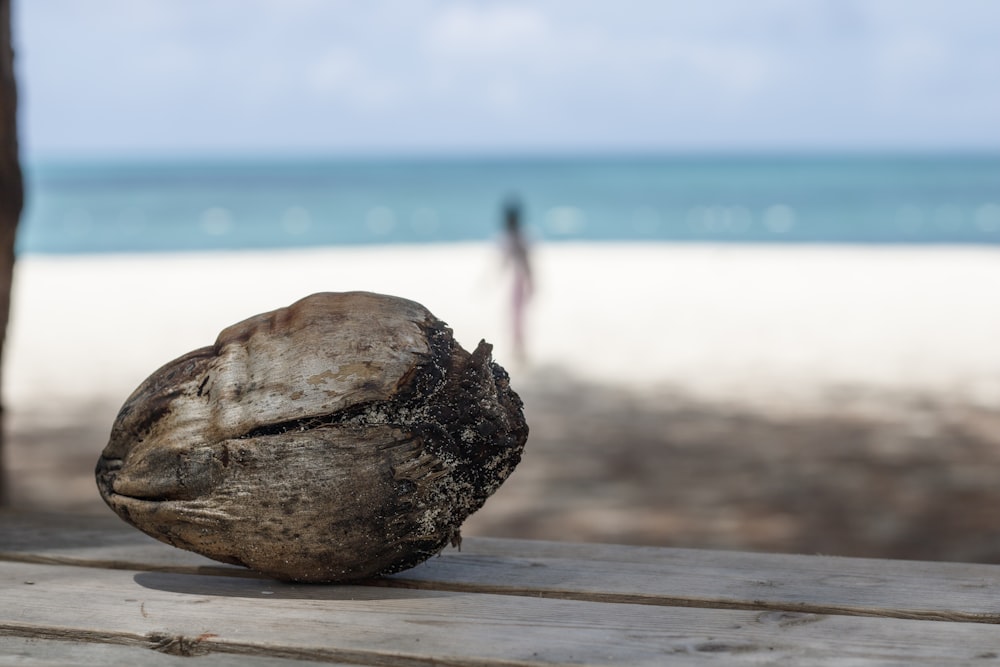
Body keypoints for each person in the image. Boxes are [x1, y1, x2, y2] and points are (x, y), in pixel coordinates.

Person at [500, 197, 533, 364]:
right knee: (516, 316)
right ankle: (518, 349)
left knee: (517, 316)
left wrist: (531, 281)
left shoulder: (516, 238)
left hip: (518, 280)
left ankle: (519, 350)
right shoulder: (518, 237)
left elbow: (526, 262)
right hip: (517, 280)